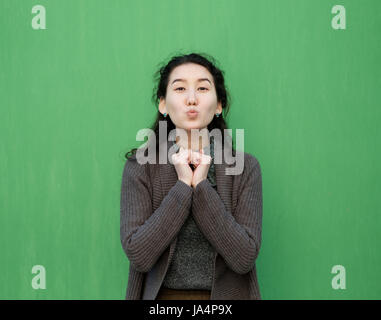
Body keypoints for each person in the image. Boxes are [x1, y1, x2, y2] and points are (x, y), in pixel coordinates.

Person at [120, 52, 263, 300]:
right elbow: (139, 255)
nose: (191, 99)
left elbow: (244, 258)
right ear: (163, 104)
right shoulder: (140, 167)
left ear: (218, 105)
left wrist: (202, 188)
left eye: (203, 88)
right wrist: (183, 186)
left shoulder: (245, 167)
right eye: (180, 88)